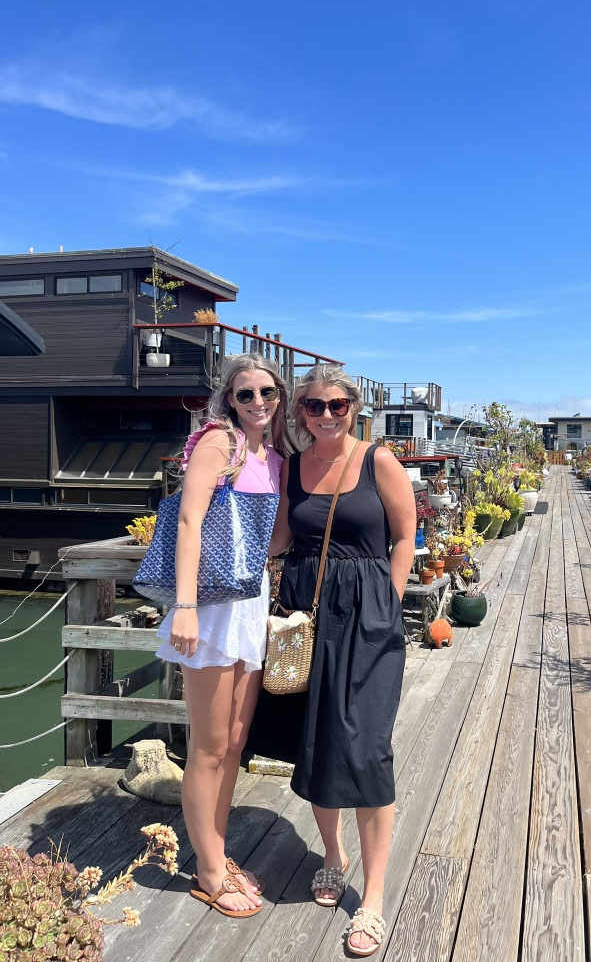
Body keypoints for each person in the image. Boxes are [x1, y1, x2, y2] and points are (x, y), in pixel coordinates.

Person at [266, 364, 416, 957]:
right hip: (306, 613)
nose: (326, 415)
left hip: (368, 615)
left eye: (337, 405)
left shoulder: (379, 461)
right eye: (313, 406)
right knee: (318, 736)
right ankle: (333, 853)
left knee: (367, 746)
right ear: (299, 413)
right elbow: (280, 540)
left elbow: (404, 536)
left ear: (354, 407)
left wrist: (390, 602)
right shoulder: (291, 468)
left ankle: (373, 896)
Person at [155, 353, 293, 918]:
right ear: (229, 400)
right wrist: (185, 606)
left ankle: (216, 850)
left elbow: (276, 542)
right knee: (209, 745)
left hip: (251, 601)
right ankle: (209, 871)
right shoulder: (220, 443)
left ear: (280, 397)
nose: (258, 402)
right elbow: (189, 520)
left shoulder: (275, 457)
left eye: (267, 392)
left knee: (235, 742)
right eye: (245, 393)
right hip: (211, 606)